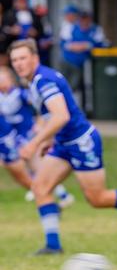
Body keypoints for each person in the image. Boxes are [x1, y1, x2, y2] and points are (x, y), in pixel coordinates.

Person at [8, 38, 117, 255]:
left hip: (81, 143)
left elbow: (61, 116)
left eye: (23, 58)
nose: (19, 63)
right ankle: (53, 246)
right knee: (40, 188)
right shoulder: (33, 81)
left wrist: (34, 143)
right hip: (63, 144)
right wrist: (48, 139)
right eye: (14, 60)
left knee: (97, 199)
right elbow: (50, 115)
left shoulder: (43, 80)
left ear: (35, 58)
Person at [0, 66, 74, 206]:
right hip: (15, 137)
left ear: (10, 79)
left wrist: (40, 123)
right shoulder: (2, 97)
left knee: (35, 167)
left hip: (28, 135)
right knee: (30, 167)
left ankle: (59, 194)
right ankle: (54, 193)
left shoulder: (20, 94)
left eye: (3, 78)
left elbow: (42, 106)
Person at [60, 10, 106, 110]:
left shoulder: (95, 29)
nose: (84, 21)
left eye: (87, 19)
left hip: (84, 64)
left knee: (77, 86)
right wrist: (82, 46)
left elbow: (99, 45)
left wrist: (84, 46)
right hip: (67, 61)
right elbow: (65, 45)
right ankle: (64, 108)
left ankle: (77, 109)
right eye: (82, 19)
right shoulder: (72, 28)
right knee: (65, 85)